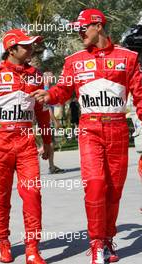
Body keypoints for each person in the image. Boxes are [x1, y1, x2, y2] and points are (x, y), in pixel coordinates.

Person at [31, 8, 142, 264]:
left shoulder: (129, 58)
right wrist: (50, 95)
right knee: (94, 186)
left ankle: (107, 239)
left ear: (98, 26)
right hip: (89, 129)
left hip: (117, 129)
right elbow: (64, 89)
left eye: (83, 27)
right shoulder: (74, 61)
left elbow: (140, 96)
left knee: (114, 191)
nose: (79, 32)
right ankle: (95, 245)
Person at [0, 28, 51, 264]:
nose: (32, 48)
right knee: (1, 197)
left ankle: (32, 248)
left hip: (26, 144)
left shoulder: (36, 76)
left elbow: (42, 112)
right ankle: (3, 241)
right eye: (27, 45)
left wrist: (47, 141)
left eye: (32, 44)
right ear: (12, 49)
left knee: (33, 193)